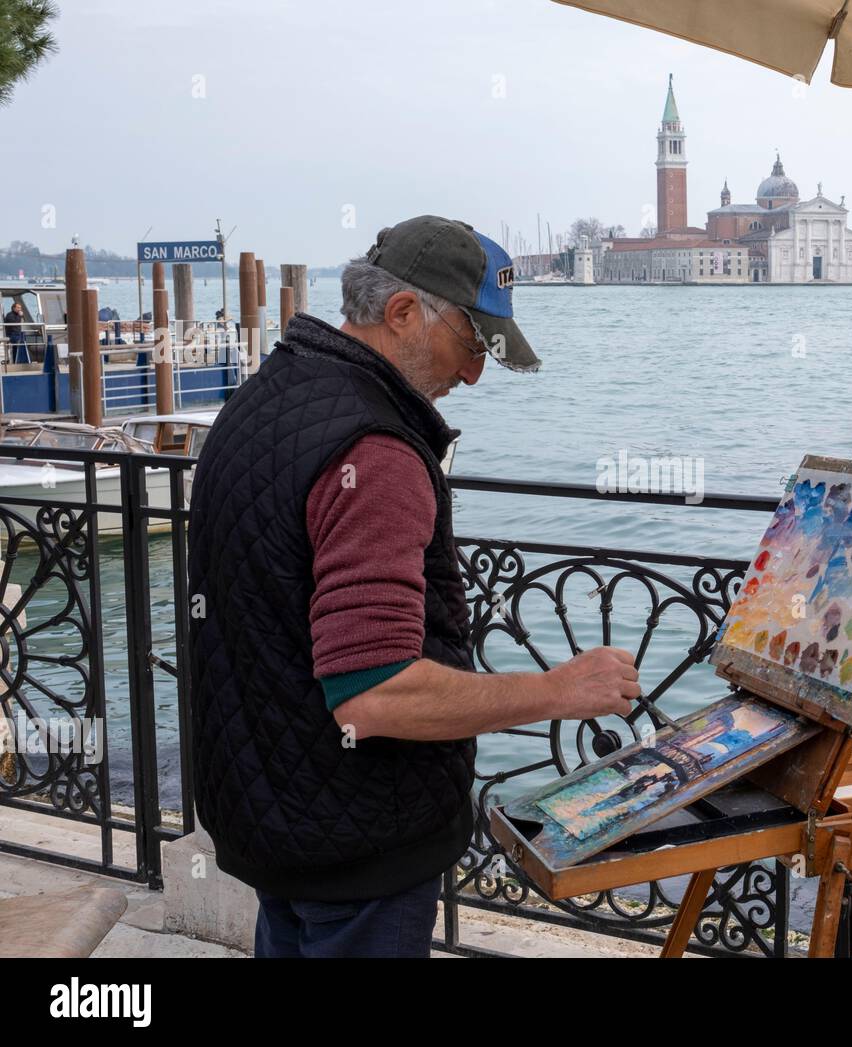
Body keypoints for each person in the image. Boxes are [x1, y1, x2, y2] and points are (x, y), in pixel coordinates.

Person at [187, 216, 640, 958]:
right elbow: (376, 692)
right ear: (402, 314)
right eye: (471, 345)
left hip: (268, 813)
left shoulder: (261, 398)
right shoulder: (377, 450)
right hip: (358, 839)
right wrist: (559, 690)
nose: (473, 375)